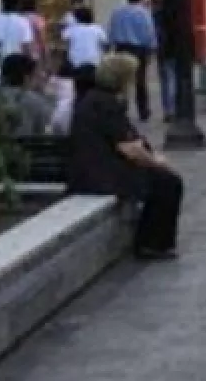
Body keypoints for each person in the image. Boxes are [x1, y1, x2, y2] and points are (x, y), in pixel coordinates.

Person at [67, 52, 186, 260]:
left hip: (94, 168)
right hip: (102, 174)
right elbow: (129, 148)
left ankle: (154, 241)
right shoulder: (106, 105)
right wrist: (156, 163)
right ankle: (153, 242)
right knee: (168, 183)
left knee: (162, 180)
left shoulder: (95, 100)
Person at [107, 0, 158, 122]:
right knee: (140, 80)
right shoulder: (144, 13)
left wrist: (110, 46)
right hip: (139, 49)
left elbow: (111, 30)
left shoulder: (117, 12)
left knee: (121, 80)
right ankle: (143, 110)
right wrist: (152, 48)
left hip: (121, 48)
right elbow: (149, 32)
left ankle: (121, 108)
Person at [0, 53, 54, 136]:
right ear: (26, 77)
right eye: (35, 75)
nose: (38, 78)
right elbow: (48, 133)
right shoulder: (37, 103)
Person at [0, 0, 36, 65]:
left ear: (2, 0)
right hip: (16, 67)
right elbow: (27, 49)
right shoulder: (23, 22)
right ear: (18, 2)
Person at [61, 5, 108, 70]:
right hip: (94, 61)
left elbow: (64, 39)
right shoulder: (98, 29)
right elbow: (105, 44)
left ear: (76, 18)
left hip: (75, 62)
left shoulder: (71, 30)